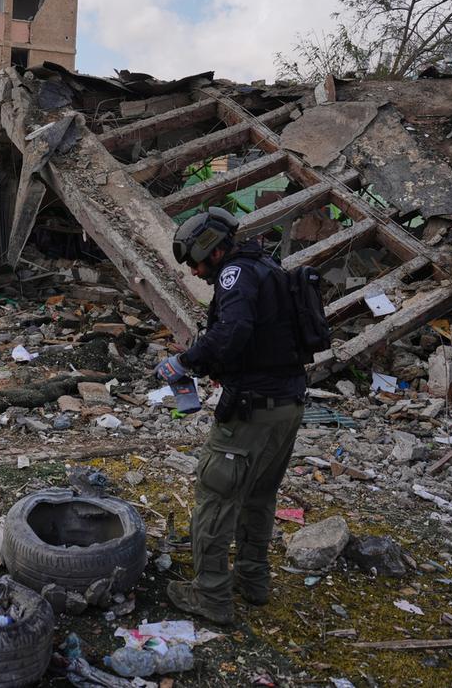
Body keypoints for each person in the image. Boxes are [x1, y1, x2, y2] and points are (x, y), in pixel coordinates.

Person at [155, 206, 308, 625]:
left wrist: (186, 361)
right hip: (288, 406)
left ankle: (210, 596)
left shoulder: (234, 275)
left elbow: (232, 332)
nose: (194, 271)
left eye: (194, 261)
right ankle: (252, 582)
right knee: (258, 498)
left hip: (251, 411)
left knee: (215, 501)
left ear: (211, 251)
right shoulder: (268, 266)